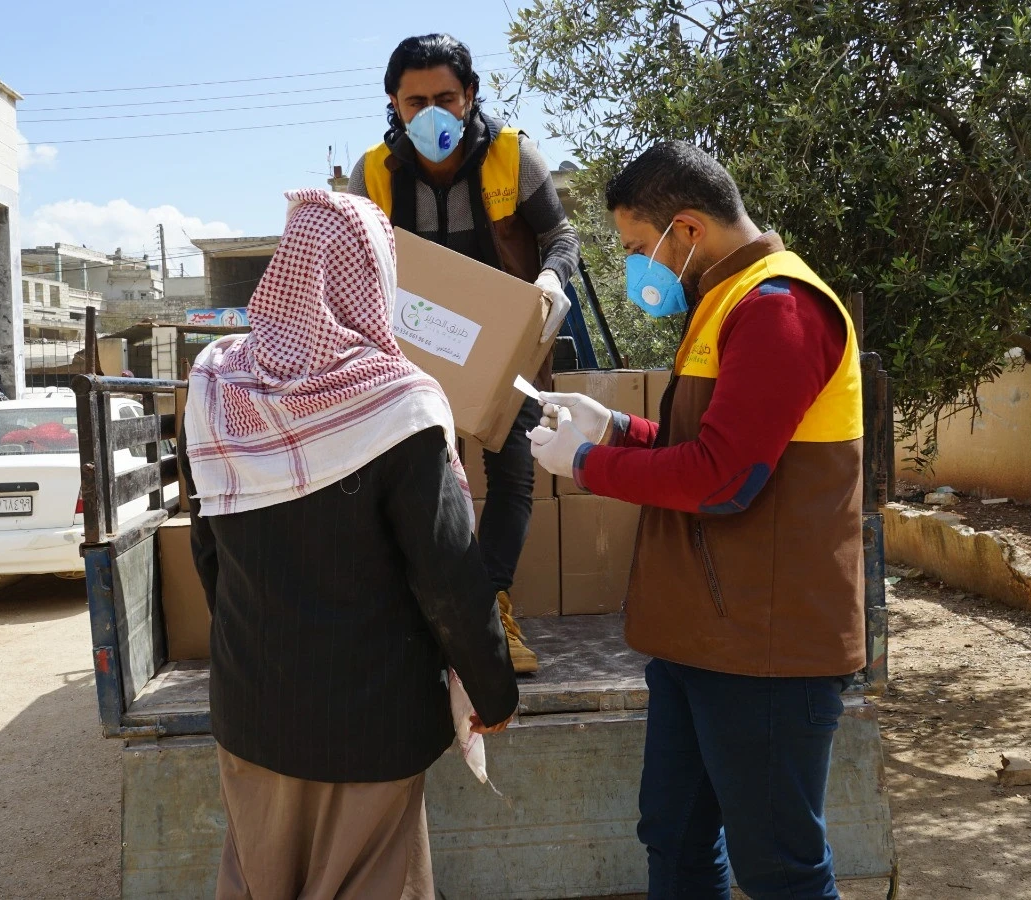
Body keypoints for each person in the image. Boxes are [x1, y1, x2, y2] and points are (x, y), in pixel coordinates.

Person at [529, 142, 864, 899]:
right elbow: (708, 449)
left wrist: (586, 465)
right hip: (701, 635)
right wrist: (612, 427)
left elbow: (724, 480)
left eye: (638, 247)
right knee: (675, 837)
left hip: (767, 645)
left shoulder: (780, 309)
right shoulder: (728, 300)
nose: (635, 266)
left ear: (686, 230)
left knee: (779, 866)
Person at [180, 189, 519, 899]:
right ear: (372, 280)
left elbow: (209, 552)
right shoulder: (397, 405)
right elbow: (448, 575)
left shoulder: (215, 385)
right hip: (370, 723)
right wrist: (492, 688)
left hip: (250, 709)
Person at [347, 32, 579, 674]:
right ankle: (430, 616)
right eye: (415, 100)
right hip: (411, 357)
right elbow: (351, 259)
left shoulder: (512, 155)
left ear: (470, 95)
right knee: (416, 483)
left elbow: (559, 232)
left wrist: (552, 277)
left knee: (512, 478)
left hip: (507, 352)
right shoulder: (375, 172)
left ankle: (490, 606)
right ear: (394, 103)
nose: (431, 113)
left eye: (445, 98)